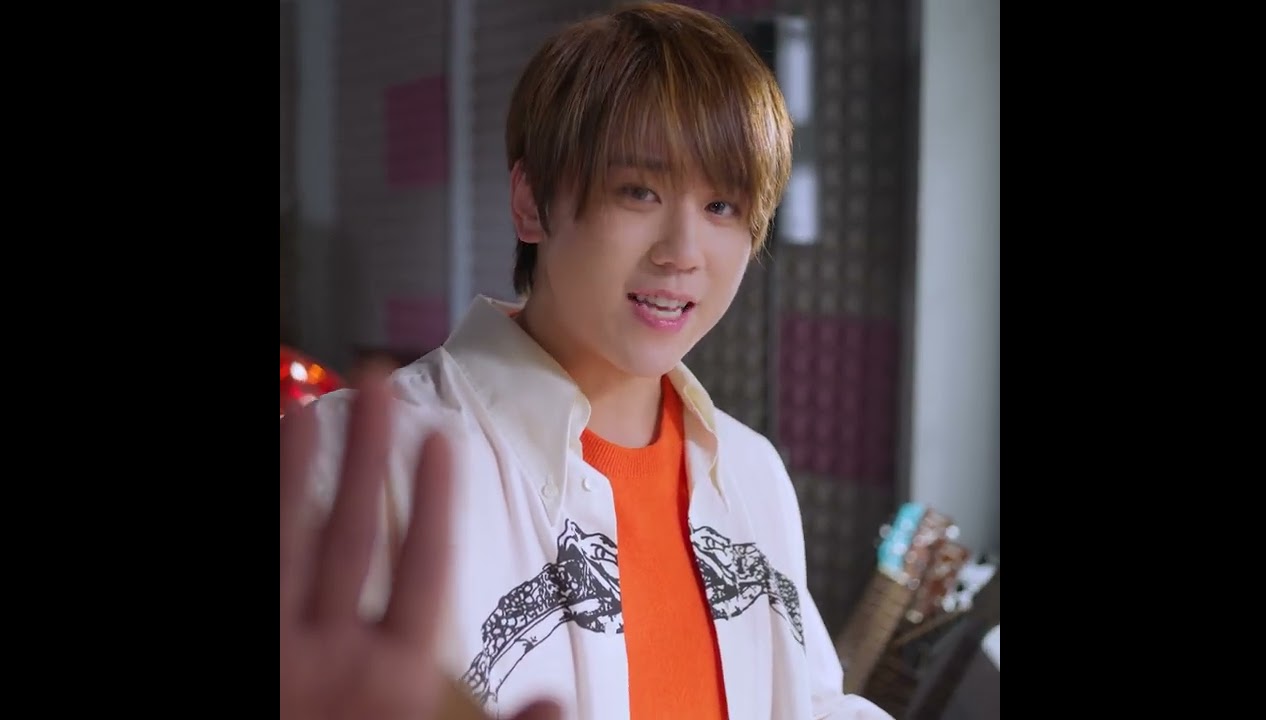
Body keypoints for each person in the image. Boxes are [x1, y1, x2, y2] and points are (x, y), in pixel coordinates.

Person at [280, 3, 894, 719]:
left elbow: (809, 700)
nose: (682, 252)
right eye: (639, 191)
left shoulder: (752, 472)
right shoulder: (358, 459)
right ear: (530, 201)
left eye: (723, 205)